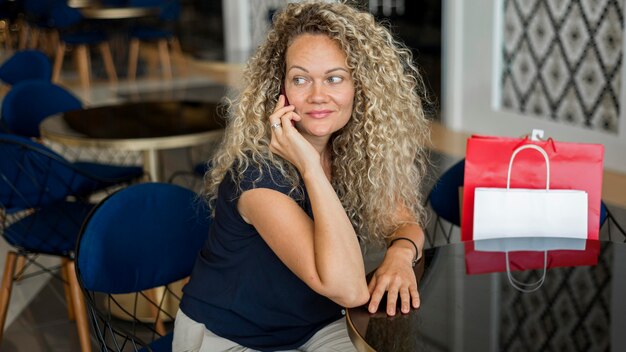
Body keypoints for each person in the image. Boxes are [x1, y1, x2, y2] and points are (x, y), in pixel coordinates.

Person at [173, 1, 431, 351]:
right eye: (300, 79)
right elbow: (350, 290)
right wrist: (310, 167)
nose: (317, 95)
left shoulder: (355, 151)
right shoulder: (258, 171)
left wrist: (400, 255)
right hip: (232, 335)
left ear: (361, 87)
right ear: (279, 89)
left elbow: (404, 221)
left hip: (314, 325)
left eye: (334, 78)